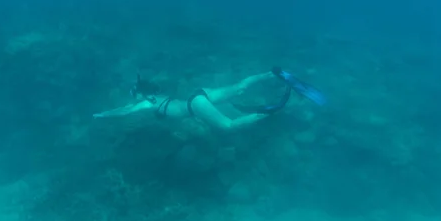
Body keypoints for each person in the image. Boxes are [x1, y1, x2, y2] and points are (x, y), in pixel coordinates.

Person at [93, 67, 325, 131]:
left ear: (139, 94)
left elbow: (124, 111)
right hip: (199, 93)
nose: (134, 100)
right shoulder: (157, 94)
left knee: (229, 125)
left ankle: (277, 107)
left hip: (195, 105)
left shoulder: (146, 102)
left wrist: (103, 115)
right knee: (239, 88)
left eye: (134, 95)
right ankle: (273, 73)